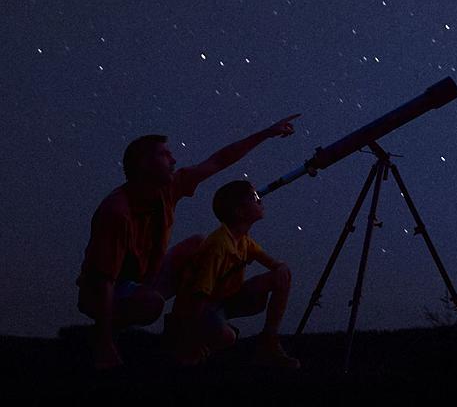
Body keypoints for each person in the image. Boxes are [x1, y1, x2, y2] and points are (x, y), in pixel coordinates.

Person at [76, 114, 300, 369]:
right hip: (108, 289)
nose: (173, 160)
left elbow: (219, 160)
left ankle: (182, 331)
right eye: (165, 155)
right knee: (151, 303)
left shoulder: (169, 190)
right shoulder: (117, 212)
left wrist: (266, 134)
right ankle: (104, 337)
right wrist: (105, 346)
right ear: (144, 164)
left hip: (145, 278)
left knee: (196, 244)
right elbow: (104, 280)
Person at [167, 180, 299, 369]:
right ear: (239, 212)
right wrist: (191, 337)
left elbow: (273, 264)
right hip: (198, 307)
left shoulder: (243, 240)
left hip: (224, 299)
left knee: (281, 275)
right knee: (226, 337)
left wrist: (280, 266)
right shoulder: (219, 245)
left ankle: (269, 341)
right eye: (254, 198)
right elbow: (199, 295)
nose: (260, 200)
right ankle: (187, 345)